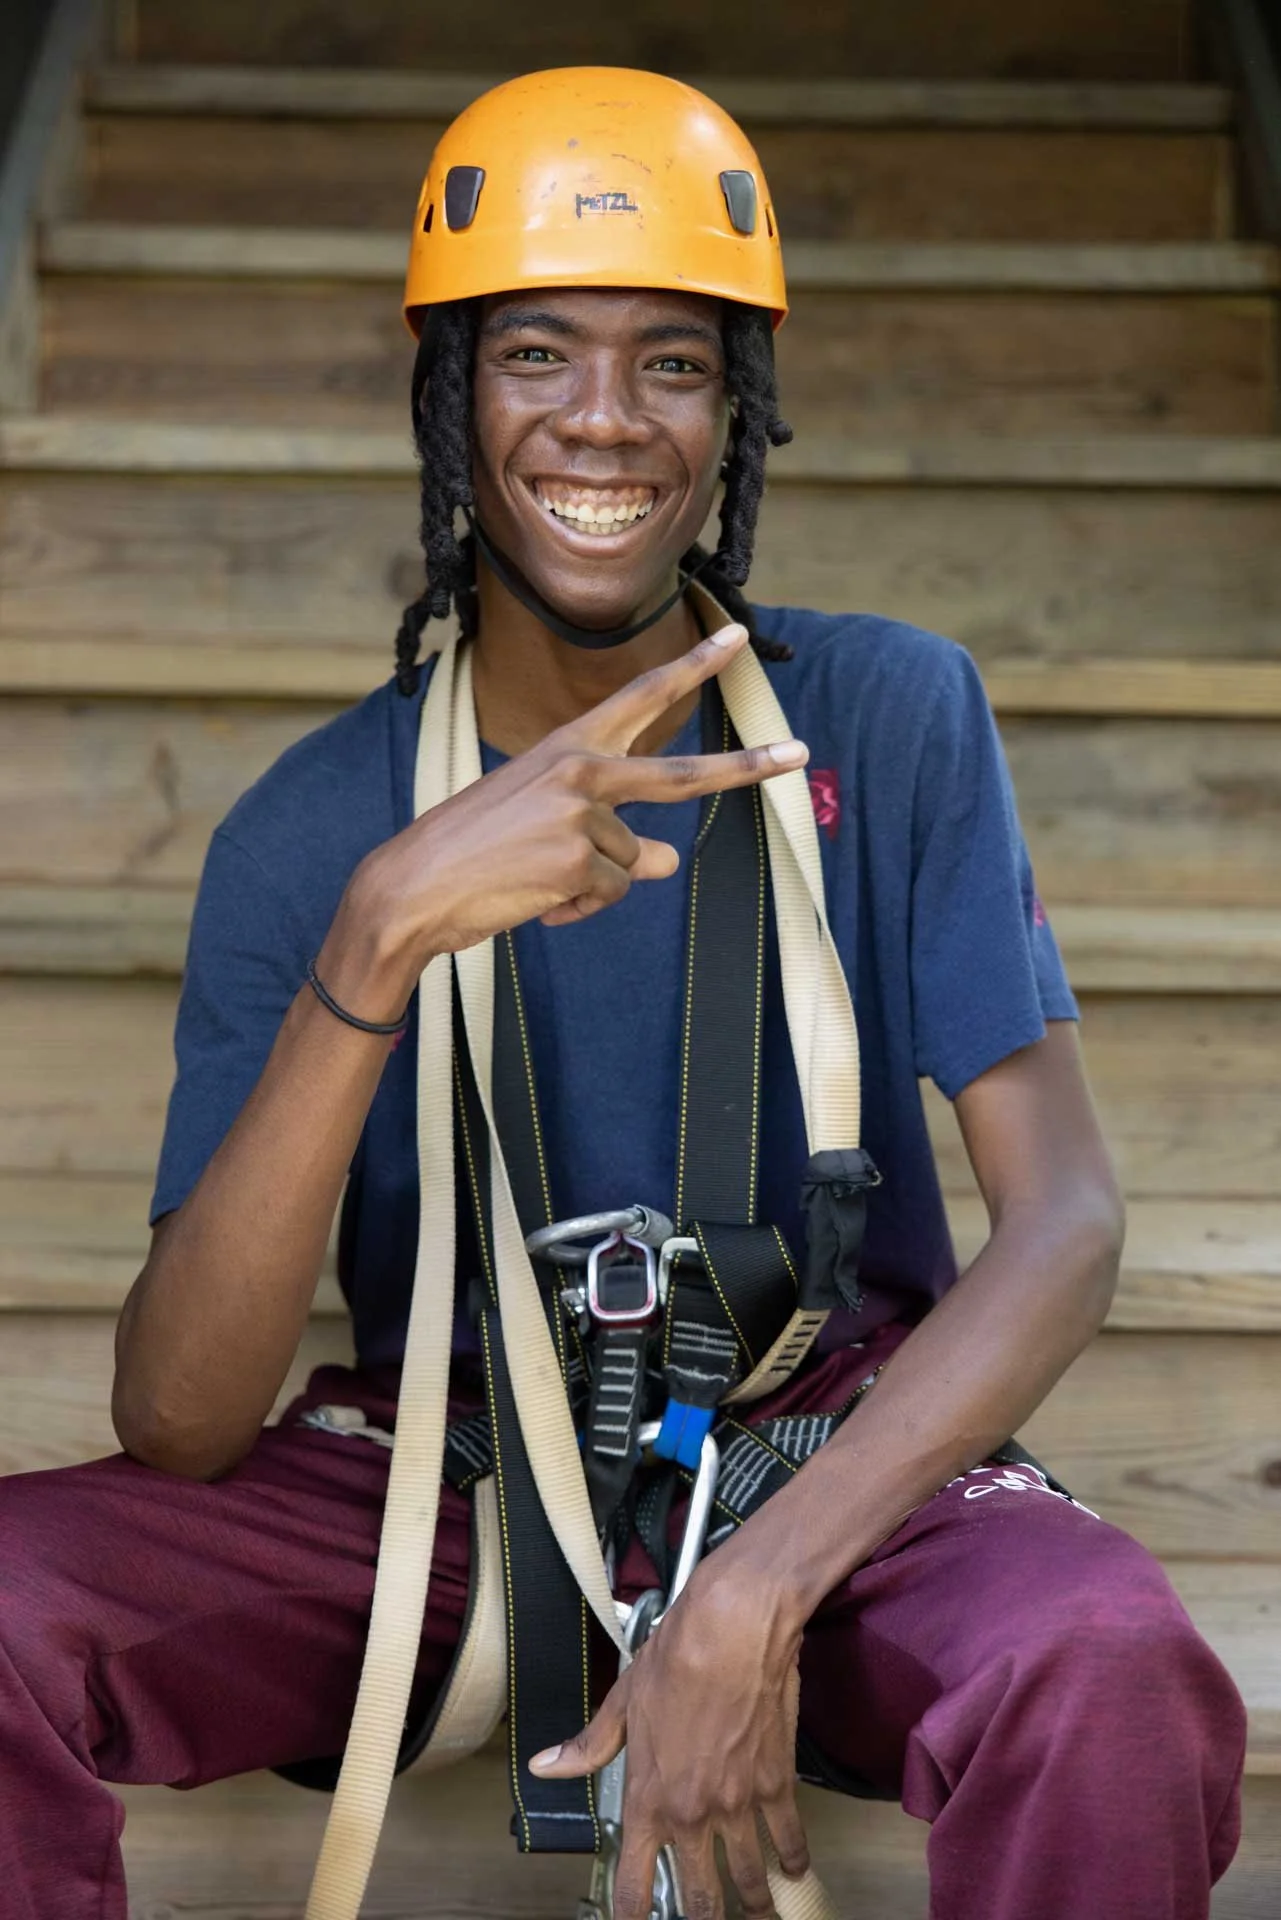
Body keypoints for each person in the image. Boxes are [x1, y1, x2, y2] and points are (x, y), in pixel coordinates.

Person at [0, 68, 1245, 1920]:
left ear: (734, 409)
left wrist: (754, 1592)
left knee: (1114, 1673)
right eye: (537, 357)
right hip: (442, 1473)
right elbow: (182, 1420)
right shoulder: (309, 829)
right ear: (449, 392)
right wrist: (375, 945)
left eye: (673, 362)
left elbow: (1063, 1221)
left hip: (819, 1453)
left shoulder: (889, 720)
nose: (606, 421)